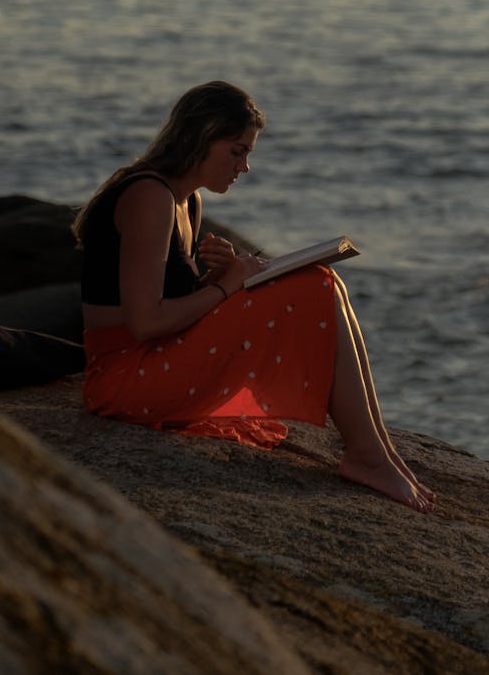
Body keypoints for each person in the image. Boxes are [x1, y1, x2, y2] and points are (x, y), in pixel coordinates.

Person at [73, 81, 434, 512]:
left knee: (324, 280)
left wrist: (220, 278)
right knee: (314, 286)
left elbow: (170, 306)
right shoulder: (149, 196)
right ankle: (367, 456)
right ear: (202, 137)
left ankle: (378, 451)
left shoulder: (185, 203)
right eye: (237, 151)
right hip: (123, 378)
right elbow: (146, 323)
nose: (244, 167)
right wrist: (229, 285)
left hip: (154, 358)